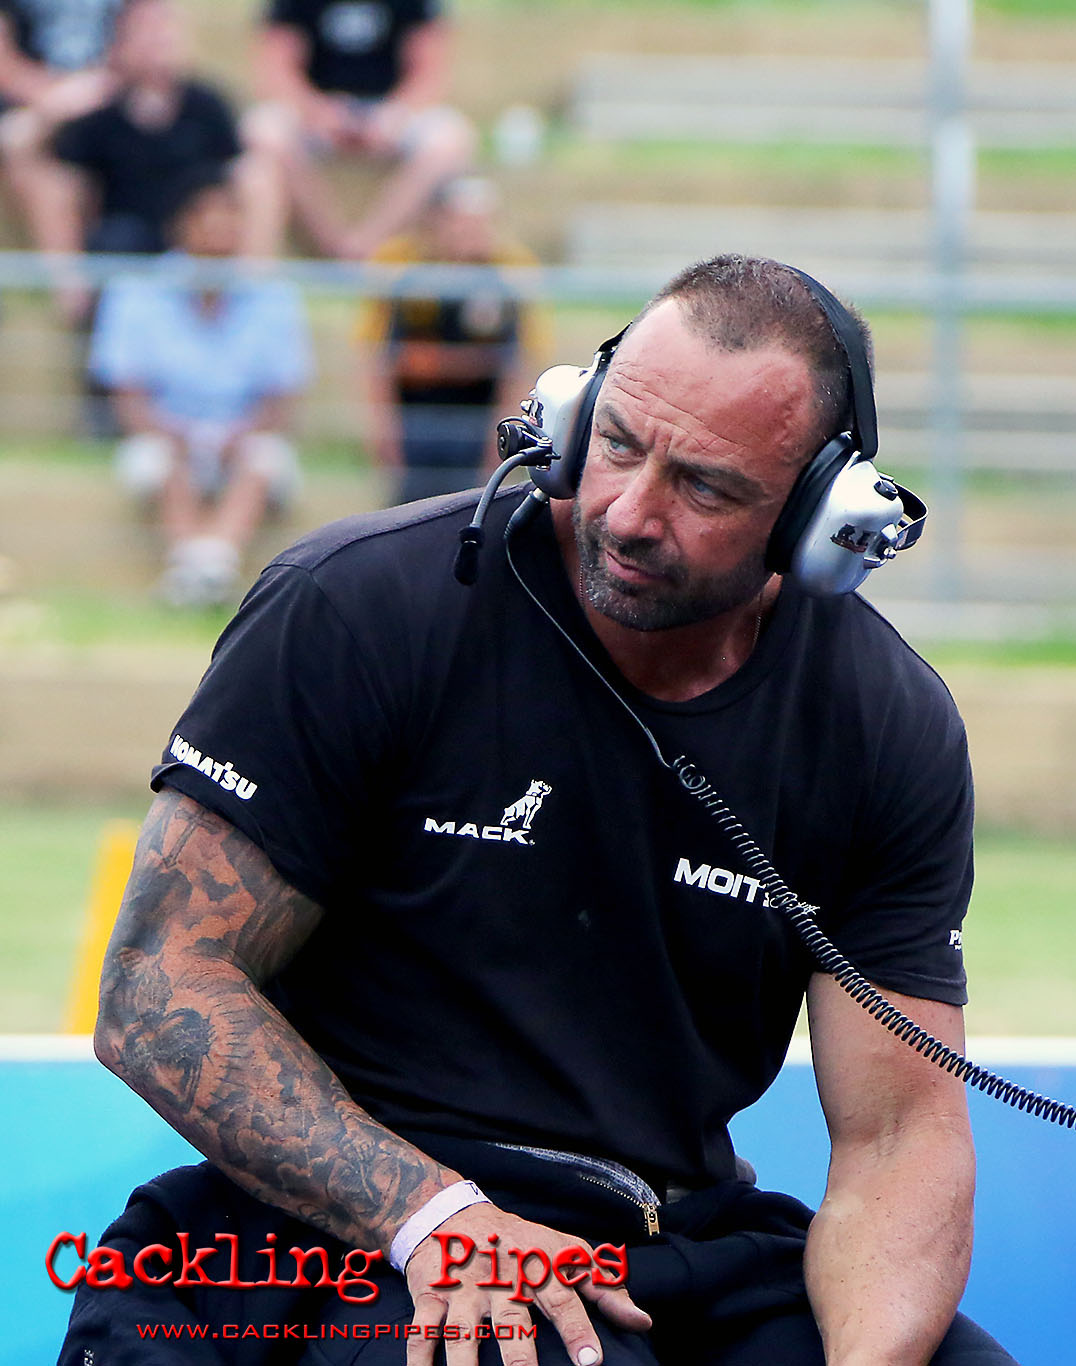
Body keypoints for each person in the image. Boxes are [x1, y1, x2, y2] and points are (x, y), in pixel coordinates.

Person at [70, 255, 1014, 1366]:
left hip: (667, 1243)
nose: (629, 511)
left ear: (820, 518)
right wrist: (438, 1219)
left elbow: (898, 1135)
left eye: (705, 488)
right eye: (615, 442)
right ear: (568, 416)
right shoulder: (359, 605)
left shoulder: (884, 722)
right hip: (353, 1229)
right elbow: (158, 986)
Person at [90, 164, 310, 607]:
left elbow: (280, 399)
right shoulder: (136, 292)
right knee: (161, 457)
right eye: (208, 223)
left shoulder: (274, 297)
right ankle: (205, 570)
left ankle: (200, 570)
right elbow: (128, 395)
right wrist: (174, 433)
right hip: (163, 431)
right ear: (181, 227)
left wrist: (236, 434)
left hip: (241, 435)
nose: (219, 235)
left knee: (262, 458)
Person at [28, 0, 284, 268]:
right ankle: (72, 290)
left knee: (256, 176)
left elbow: (236, 164)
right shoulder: (99, 111)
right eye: (145, 31)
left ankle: (252, 285)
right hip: (124, 244)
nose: (157, 41)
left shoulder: (206, 105)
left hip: (198, 240)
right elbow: (32, 150)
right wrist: (53, 109)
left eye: (164, 29)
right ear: (120, 43)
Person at [360, 174, 552, 505]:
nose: (471, 233)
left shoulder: (508, 277)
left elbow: (519, 362)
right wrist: (383, 430)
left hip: (478, 426)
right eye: (461, 222)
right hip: (416, 425)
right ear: (438, 222)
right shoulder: (406, 272)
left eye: (480, 223)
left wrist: (501, 440)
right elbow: (382, 357)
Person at [243, 0, 476, 259]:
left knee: (450, 139)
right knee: (265, 129)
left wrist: (395, 115)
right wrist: (317, 112)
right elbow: (276, 69)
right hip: (315, 109)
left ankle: (370, 244)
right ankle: (332, 245)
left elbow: (430, 72)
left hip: (393, 110)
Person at [0, 0, 123, 247]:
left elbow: (144, 33)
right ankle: (66, 271)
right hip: (34, 109)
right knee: (20, 140)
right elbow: (6, 64)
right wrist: (58, 99)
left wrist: (99, 85)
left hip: (110, 101)